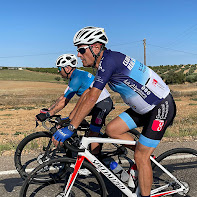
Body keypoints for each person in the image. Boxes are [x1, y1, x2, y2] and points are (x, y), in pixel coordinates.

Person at [52, 27, 176, 197]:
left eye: (81, 50)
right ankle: (142, 159)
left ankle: (143, 163)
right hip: (142, 108)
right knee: (112, 130)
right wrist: (70, 120)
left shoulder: (108, 62)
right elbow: (88, 93)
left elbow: (92, 98)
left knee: (141, 156)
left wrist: (72, 127)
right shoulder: (104, 62)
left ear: (95, 47)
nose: (78, 55)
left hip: (160, 106)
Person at [36, 53, 113, 155]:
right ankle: (79, 148)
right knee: (72, 120)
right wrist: (49, 109)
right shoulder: (76, 75)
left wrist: (48, 114)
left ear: (67, 68)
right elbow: (63, 96)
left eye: (59, 69)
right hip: (91, 103)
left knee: (93, 133)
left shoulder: (76, 78)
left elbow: (64, 101)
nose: (59, 72)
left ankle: (95, 163)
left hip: (102, 103)